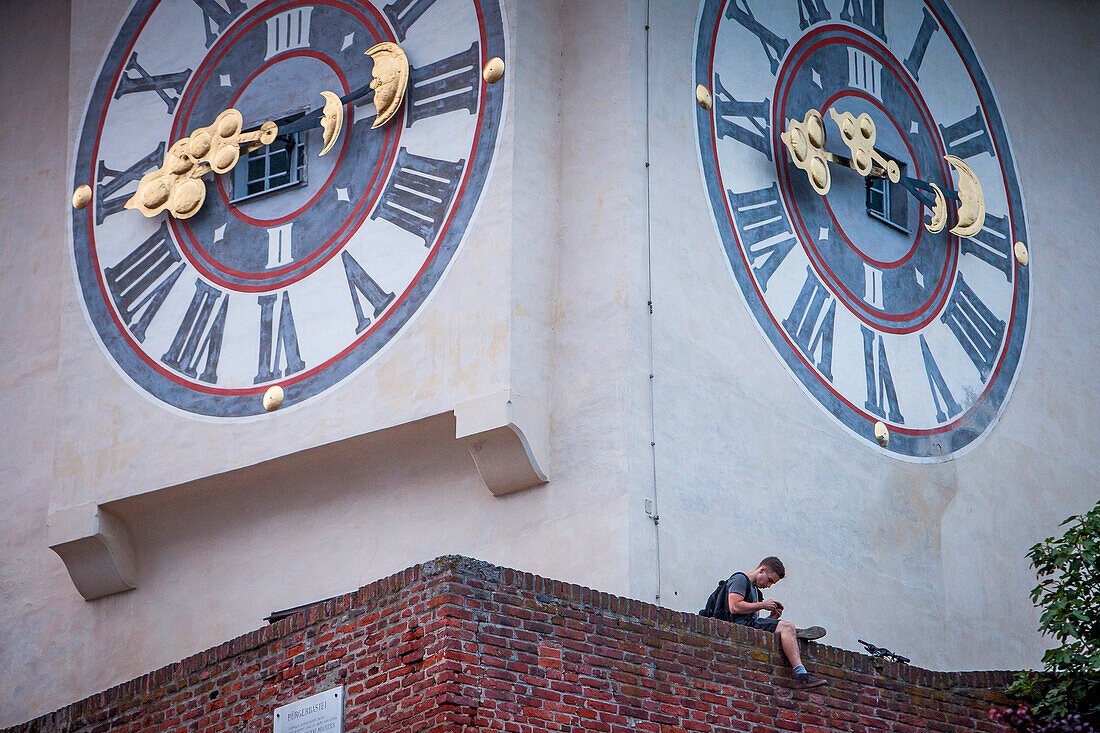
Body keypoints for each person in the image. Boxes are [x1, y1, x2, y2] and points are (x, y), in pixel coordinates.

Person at [726, 556, 828, 689]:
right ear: (761, 570)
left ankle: (797, 632)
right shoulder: (740, 579)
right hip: (734, 625)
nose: (768, 585)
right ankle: (801, 674)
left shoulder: (755, 591)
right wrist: (762, 605)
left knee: (790, 627)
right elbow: (734, 607)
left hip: (746, 625)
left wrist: (772, 618)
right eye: (769, 580)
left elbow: (754, 622)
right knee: (787, 627)